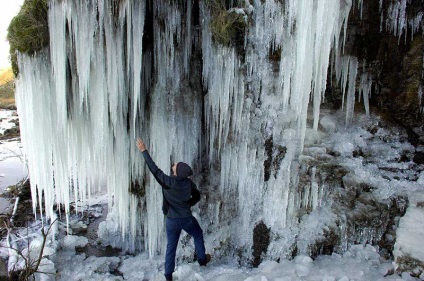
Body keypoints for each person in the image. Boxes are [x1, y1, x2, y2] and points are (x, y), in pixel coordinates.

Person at [136, 137, 211, 281]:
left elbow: (154, 169)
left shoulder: (168, 182)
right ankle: (202, 260)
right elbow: (197, 196)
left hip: (172, 220)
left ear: (177, 172)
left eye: (176, 165)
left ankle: (168, 275)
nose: (174, 164)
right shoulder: (189, 184)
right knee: (198, 234)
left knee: (171, 247)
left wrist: (144, 151)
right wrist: (188, 204)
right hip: (187, 219)